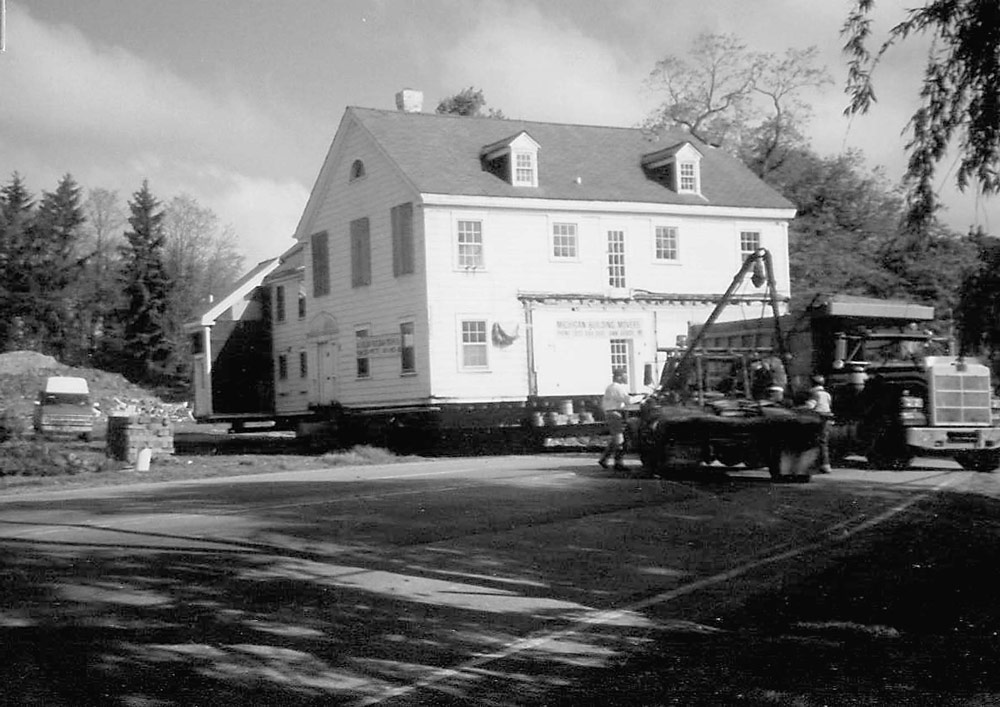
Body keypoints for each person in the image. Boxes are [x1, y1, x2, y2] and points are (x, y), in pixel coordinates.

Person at [598, 368, 633, 471]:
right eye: (624, 375)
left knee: (615, 440)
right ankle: (618, 463)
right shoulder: (616, 388)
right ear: (618, 376)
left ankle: (604, 459)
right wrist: (643, 397)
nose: (626, 377)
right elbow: (628, 400)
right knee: (620, 440)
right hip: (614, 414)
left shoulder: (613, 387)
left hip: (613, 413)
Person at [803, 374, 834, 473]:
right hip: (827, 418)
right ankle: (825, 464)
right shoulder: (827, 394)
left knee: (815, 442)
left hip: (817, 418)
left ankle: (821, 464)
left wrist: (800, 408)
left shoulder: (815, 394)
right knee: (823, 442)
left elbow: (810, 406)